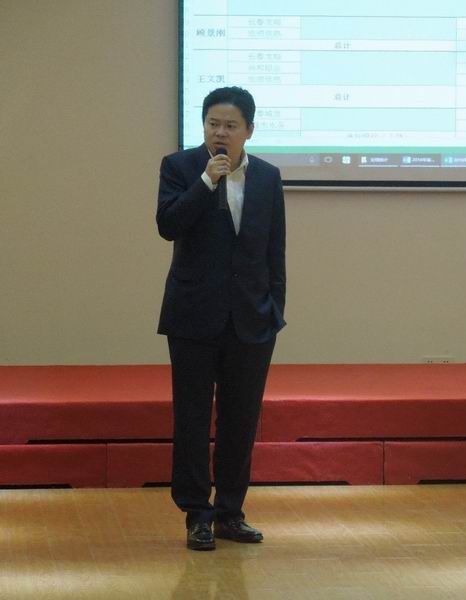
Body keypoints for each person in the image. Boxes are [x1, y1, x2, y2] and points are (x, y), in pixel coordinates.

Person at [156, 86, 286, 551]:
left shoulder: (268, 177)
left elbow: (274, 250)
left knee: (241, 420)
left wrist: (274, 310)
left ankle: (231, 511)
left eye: (231, 125)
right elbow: (168, 225)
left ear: (249, 130)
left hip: (251, 319)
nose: (220, 132)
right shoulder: (180, 167)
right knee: (192, 419)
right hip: (192, 316)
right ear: (204, 126)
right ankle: (197, 514)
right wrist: (206, 183)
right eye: (213, 123)